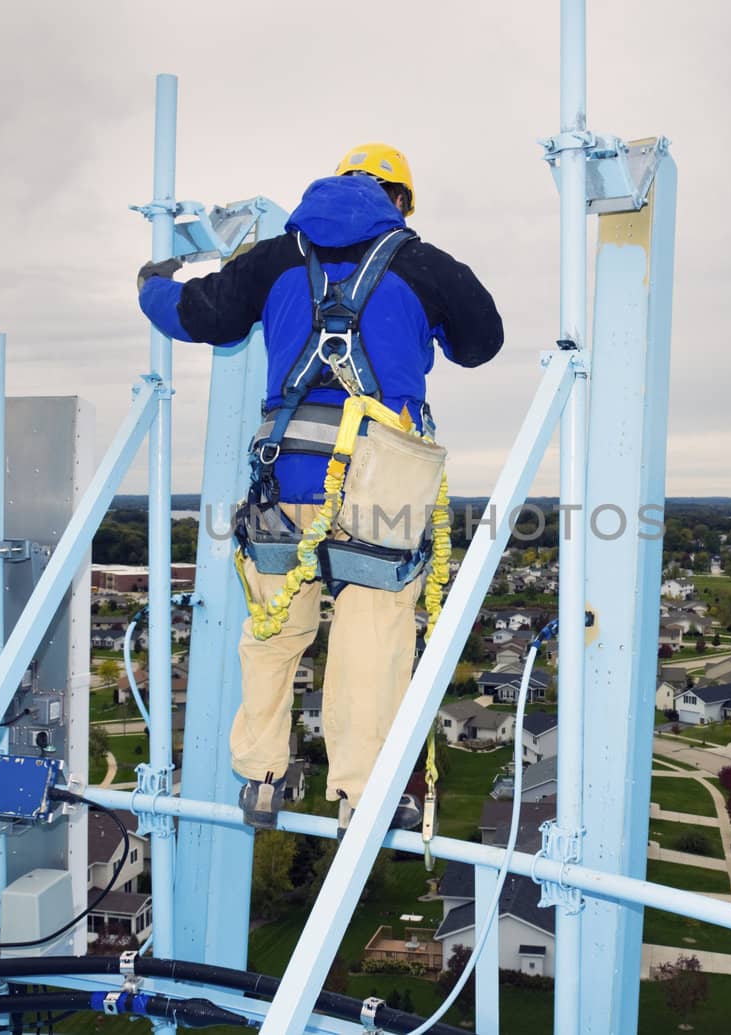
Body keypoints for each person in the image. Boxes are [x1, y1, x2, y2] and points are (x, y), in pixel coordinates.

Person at [137, 142, 503, 831]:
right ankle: (361, 794)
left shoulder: (278, 256)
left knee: (274, 629)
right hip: (379, 482)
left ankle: (261, 778)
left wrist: (150, 282)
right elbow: (481, 342)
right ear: (399, 201)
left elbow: (197, 315)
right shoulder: (423, 264)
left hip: (288, 475)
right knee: (371, 635)